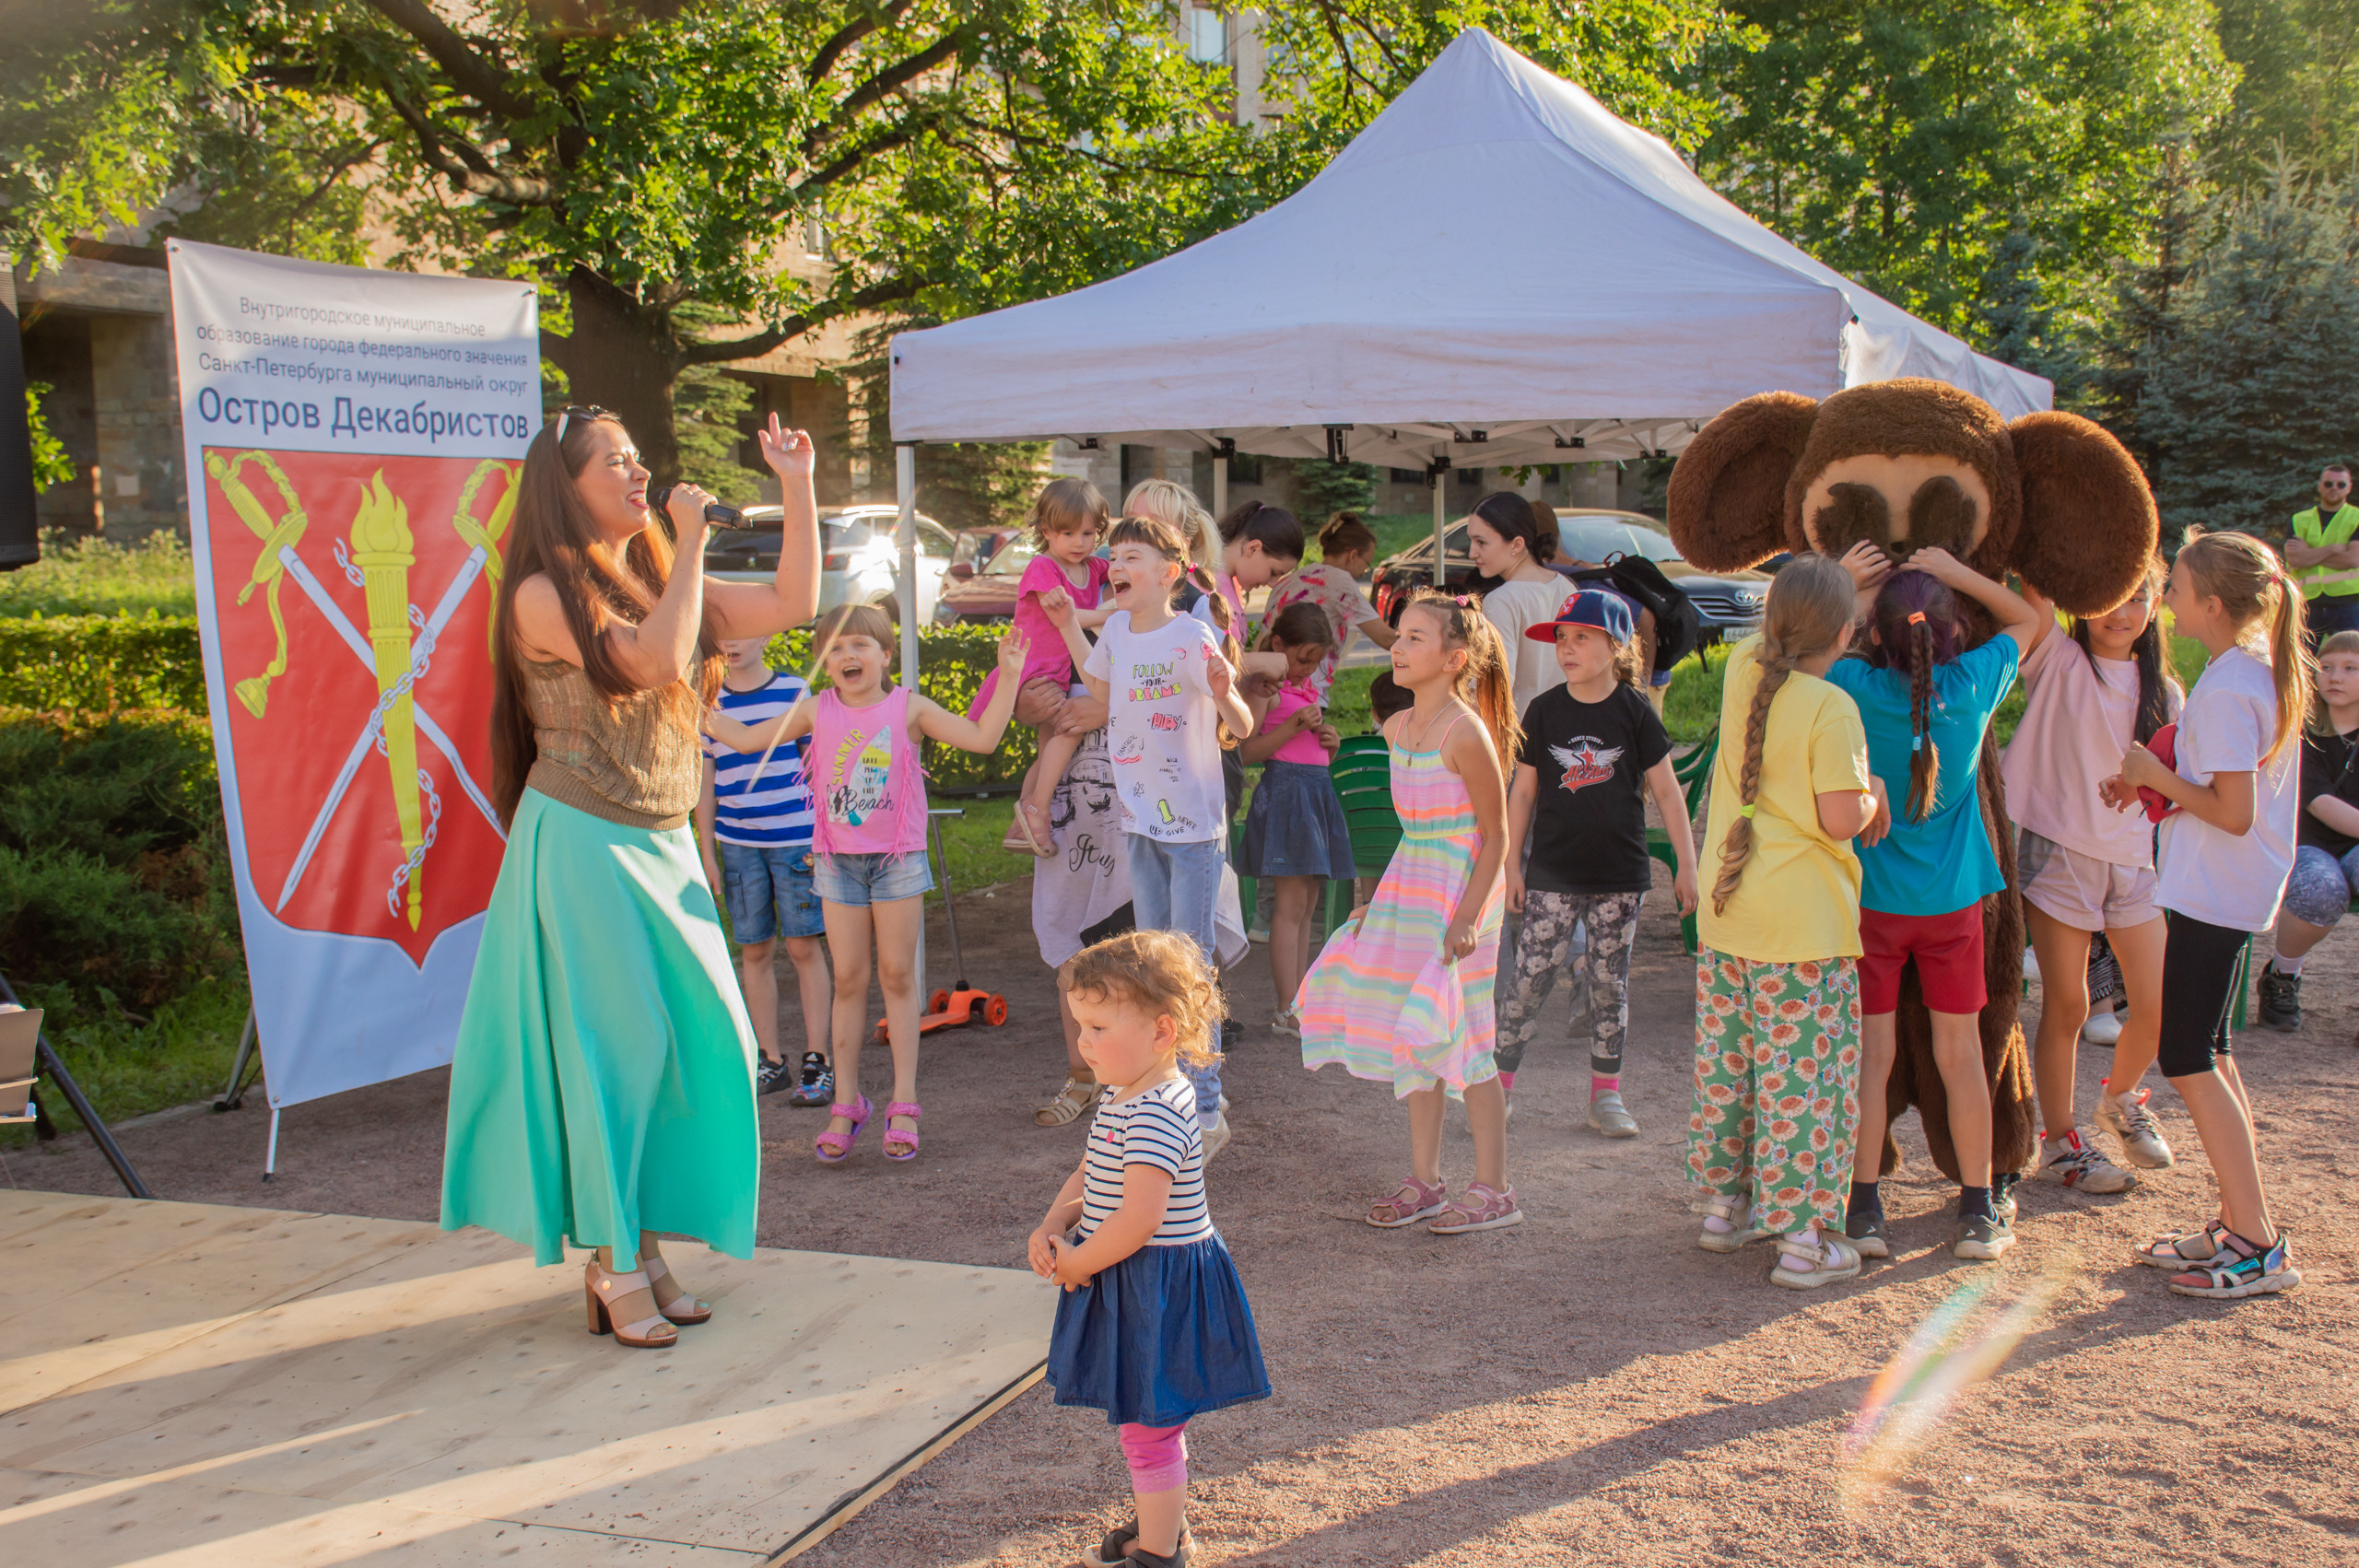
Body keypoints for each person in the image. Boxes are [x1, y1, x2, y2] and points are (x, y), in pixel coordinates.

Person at [441, 408, 820, 1351]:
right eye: (614, 460)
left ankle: (638, 1245)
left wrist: (797, 485)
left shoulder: (653, 575)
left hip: (661, 841)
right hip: (582, 841)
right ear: (565, 486)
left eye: (636, 454)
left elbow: (791, 603)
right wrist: (689, 543)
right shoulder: (541, 594)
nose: (638, 470)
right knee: (614, 1052)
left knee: (690, 1043)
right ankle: (615, 1258)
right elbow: (651, 661)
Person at [704, 605, 1028, 1164]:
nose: (847, 655)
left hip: (897, 862)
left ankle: (904, 1104)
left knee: (897, 977)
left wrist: (1011, 674)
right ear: (823, 661)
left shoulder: (909, 708)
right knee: (849, 979)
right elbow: (745, 738)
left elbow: (982, 738)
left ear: (885, 654)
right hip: (837, 864)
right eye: (834, 648)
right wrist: (682, 698)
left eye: (859, 644)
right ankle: (846, 1104)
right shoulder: (815, 708)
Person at [2104, 530, 2307, 1298]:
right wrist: (2153, 779)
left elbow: (2231, 811)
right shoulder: (2248, 671)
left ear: (2214, 605)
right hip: (2222, 889)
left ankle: (2255, 1241)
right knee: (2210, 1052)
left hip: (2215, 891)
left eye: (2179, 591)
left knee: (2189, 1055)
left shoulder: (2227, 688)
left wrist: (2153, 773)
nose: (2168, 602)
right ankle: (2238, 1224)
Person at [1826, 546, 2043, 1263]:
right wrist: (1957, 573)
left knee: (1873, 1057)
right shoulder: (1975, 684)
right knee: (1961, 1055)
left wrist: (1848, 586)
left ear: (1875, 634)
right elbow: (2030, 620)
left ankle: (1863, 1210)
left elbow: (1802, 646)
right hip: (1952, 909)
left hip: (1872, 907)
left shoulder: (1850, 684)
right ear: (1956, 631)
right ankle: (1979, 1211)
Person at [1031, 930, 1270, 1568]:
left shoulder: (1159, 1107)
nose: (1083, 1042)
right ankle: (1164, 1530)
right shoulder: (1123, 1092)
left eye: (1098, 1027)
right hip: (1134, 1276)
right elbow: (1092, 1173)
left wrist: (1077, 1261)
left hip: (1155, 1283)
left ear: (1162, 1032)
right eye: (1080, 1026)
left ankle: (1160, 1553)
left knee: (1149, 1427)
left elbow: (1140, 1219)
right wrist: (1055, 1220)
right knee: (1147, 1421)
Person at [1297, 589, 1523, 1235]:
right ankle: (1426, 1180)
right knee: (1417, 1035)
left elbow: (1497, 836)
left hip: (1462, 898)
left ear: (1454, 660)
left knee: (1468, 1036)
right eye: (1399, 636)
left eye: (1415, 638)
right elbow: (1414, 834)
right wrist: (1379, 902)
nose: (1397, 647)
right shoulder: (1396, 729)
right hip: (1413, 892)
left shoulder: (1465, 732)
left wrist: (1468, 918)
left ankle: (1495, 1189)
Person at [1688, 554, 1885, 1292]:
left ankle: (1724, 1209)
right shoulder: (1832, 707)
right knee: (1803, 1083)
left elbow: (1774, 634)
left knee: (1732, 1068)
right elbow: (1841, 819)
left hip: (1730, 915)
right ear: (1845, 633)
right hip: (1802, 928)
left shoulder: (1744, 671)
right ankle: (1802, 1242)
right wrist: (1872, 792)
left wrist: (1829, 581)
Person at [1043, 516, 1257, 1156]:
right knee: (1152, 962)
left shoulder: (1191, 633)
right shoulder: (1113, 630)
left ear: (1170, 573)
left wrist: (1225, 694)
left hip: (1192, 828)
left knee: (1189, 963)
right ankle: (1167, 1093)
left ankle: (1206, 1109)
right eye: (1115, 557)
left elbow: (1242, 726)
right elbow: (1101, 691)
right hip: (1140, 820)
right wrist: (1066, 625)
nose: (1116, 565)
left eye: (1131, 556)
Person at [2004, 560, 2182, 1187]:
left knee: (2156, 1006)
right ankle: (2061, 1143)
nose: (2121, 612)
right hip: (2059, 851)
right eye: (2109, 596)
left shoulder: (2169, 693)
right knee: (2069, 1003)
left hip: (2136, 863)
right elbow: (2035, 581)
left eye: (2136, 597)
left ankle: (2121, 1100)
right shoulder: (2058, 658)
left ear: (2156, 606)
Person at [1496, 589, 1698, 1135]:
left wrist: (1687, 865)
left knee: (1610, 985)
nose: (1566, 647)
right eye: (1561, 638)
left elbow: (1667, 793)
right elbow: (1522, 793)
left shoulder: (1635, 711)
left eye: (1581, 638)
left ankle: (1606, 1097)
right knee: (1529, 980)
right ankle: (1498, 1090)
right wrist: (1511, 866)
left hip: (1619, 877)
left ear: (1615, 646)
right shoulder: (1543, 710)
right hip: (1552, 876)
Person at [697, 634, 833, 1106]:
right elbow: (706, 781)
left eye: (744, 631)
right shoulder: (706, 701)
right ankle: (770, 1060)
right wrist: (708, 853)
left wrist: (826, 835)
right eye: (724, 633)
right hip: (737, 846)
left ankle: (818, 1061)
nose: (732, 643)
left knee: (803, 947)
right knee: (754, 951)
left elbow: (818, 766)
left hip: (796, 842)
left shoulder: (796, 690)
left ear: (767, 634)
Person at [976, 478, 1115, 858]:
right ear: (1046, 530)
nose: (1079, 542)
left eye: (1088, 533)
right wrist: (1111, 613)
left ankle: (1025, 822)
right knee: (1069, 730)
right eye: (1068, 533)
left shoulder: (1094, 567)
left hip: (1063, 666)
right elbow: (1064, 616)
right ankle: (1036, 811)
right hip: (1037, 665)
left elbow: (1121, 572)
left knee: (1051, 747)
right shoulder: (1043, 568)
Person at [1239, 603, 1352, 1038]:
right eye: (1302, 658)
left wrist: (1330, 745)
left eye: (1315, 662)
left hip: (1314, 793)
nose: (1307, 669)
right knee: (1289, 907)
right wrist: (1291, 728)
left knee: (1307, 906)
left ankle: (1299, 1000)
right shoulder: (1265, 689)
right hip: (1287, 795)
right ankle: (1286, 1006)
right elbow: (1247, 751)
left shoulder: (1306, 692)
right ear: (1278, 645)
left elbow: (1308, 751)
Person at [2257, 629, 2359, 1029]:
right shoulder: (2301, 730)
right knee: (2321, 888)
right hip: (2307, 844)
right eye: (2326, 667)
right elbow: (2319, 802)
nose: (2335, 676)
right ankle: (2283, 976)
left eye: (2350, 668)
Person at [1264, 511, 1397, 698]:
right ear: (1353, 555)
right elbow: (1386, 639)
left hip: (1270, 687)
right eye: (1367, 564)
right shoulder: (1339, 581)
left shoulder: (1288, 580)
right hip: (1305, 691)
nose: (1363, 572)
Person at [1465, 491, 1569, 719]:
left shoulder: (1502, 599)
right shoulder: (1566, 586)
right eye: (1471, 541)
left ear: (1517, 544)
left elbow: (1494, 685)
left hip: (1519, 729)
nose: (1472, 552)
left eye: (1481, 542)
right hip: (1565, 727)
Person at [2282, 461, 2359, 645]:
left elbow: (2352, 559)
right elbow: (2295, 559)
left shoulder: (2356, 518)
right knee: (2302, 660)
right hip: (2307, 603)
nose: (2334, 488)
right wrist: (2332, 549)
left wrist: (2309, 554)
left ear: (2349, 487)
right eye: (2328, 483)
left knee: (2352, 657)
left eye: (2340, 484)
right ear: (2320, 486)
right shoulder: (2299, 519)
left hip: (2347, 602)